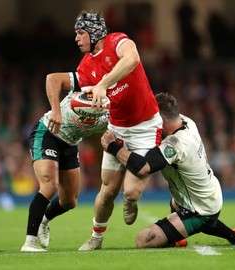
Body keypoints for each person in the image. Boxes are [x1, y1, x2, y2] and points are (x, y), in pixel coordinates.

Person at [100, 92, 235, 248]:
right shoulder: (186, 121)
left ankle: (180, 237)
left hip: (199, 209)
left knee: (144, 240)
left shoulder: (175, 144)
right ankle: (234, 236)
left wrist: (113, 147)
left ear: (160, 119)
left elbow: (143, 168)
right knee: (177, 202)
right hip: (204, 194)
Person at [72, 11, 163, 251]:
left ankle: (131, 201)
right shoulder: (84, 67)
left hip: (146, 126)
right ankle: (96, 237)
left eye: (81, 33)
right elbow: (89, 99)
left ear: (95, 32)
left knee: (130, 192)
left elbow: (131, 59)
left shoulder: (119, 41)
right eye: (76, 33)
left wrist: (102, 83)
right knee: (108, 189)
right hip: (117, 129)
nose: (77, 38)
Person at [21, 72, 108, 252]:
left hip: (70, 143)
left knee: (69, 201)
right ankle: (29, 243)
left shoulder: (113, 111)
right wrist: (56, 110)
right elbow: (52, 79)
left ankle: (44, 220)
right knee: (49, 185)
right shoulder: (89, 79)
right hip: (48, 132)